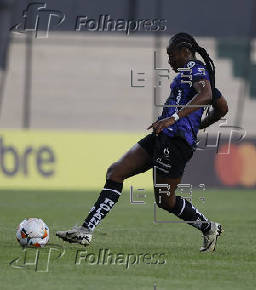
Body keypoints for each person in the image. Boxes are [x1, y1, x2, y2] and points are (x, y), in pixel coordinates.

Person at [57, 32, 228, 252]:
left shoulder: (196, 67)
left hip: (176, 142)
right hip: (161, 136)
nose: (169, 60)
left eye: (171, 54)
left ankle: (208, 227)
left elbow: (206, 95)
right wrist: (198, 124)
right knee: (116, 172)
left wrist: (176, 119)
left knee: (165, 201)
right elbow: (221, 106)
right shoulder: (189, 74)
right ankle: (86, 230)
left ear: (185, 52)